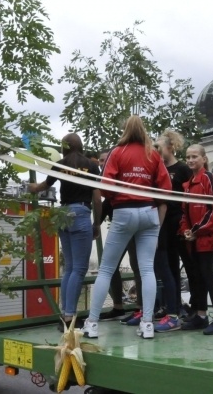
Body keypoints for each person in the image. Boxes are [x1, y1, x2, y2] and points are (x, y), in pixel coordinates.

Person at [83, 116, 172, 340]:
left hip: (124, 211)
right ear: (144, 130)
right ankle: (148, 324)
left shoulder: (118, 151)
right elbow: (166, 188)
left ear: (125, 130)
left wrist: (117, 196)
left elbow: (105, 186)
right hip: (149, 212)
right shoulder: (153, 153)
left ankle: (92, 323)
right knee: (147, 269)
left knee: (105, 269)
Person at [27, 133, 102, 331]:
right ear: (81, 146)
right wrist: (97, 224)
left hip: (62, 214)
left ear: (64, 148)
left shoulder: (60, 164)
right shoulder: (92, 166)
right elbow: (96, 198)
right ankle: (69, 317)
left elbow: (43, 186)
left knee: (69, 268)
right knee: (79, 269)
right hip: (81, 214)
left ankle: (65, 313)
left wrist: (30, 187)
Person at [178, 144, 213, 335]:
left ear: (204, 159)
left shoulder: (208, 178)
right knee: (197, 276)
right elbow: (184, 211)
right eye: (188, 157)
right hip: (193, 237)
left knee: (207, 274)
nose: (190, 160)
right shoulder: (189, 184)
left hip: (206, 236)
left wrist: (197, 230)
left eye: (194, 157)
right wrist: (186, 231)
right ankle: (201, 315)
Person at [96, 148, 145, 324]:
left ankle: (141, 308)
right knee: (110, 266)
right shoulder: (104, 182)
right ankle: (118, 307)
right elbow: (105, 206)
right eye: (100, 161)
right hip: (119, 228)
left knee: (137, 266)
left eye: (104, 160)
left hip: (132, 223)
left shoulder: (119, 175)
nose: (102, 164)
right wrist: (95, 225)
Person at [152, 129, 194, 332]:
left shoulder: (182, 169)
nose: (156, 150)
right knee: (168, 266)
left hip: (179, 221)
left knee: (188, 264)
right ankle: (173, 306)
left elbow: (191, 196)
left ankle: (195, 308)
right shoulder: (157, 169)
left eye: (159, 147)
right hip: (163, 222)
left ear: (170, 147)